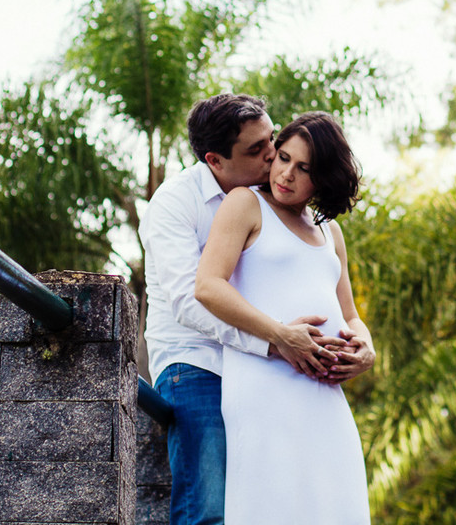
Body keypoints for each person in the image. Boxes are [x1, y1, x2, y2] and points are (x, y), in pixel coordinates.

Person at [142, 94, 364, 525]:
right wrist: (275, 340)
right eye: (257, 149)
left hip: (269, 367)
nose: (271, 156)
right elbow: (191, 299)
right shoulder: (175, 202)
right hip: (198, 363)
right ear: (215, 160)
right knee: (210, 509)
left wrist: (354, 347)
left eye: (272, 139)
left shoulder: (287, 209)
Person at [195, 111, 375, 524]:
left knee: (337, 507)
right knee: (272, 506)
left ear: (324, 177)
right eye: (284, 157)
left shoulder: (330, 232)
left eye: (304, 168)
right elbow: (208, 286)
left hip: (325, 394)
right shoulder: (246, 203)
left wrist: (367, 349)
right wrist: (281, 335)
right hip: (265, 384)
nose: (287, 174)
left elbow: (351, 315)